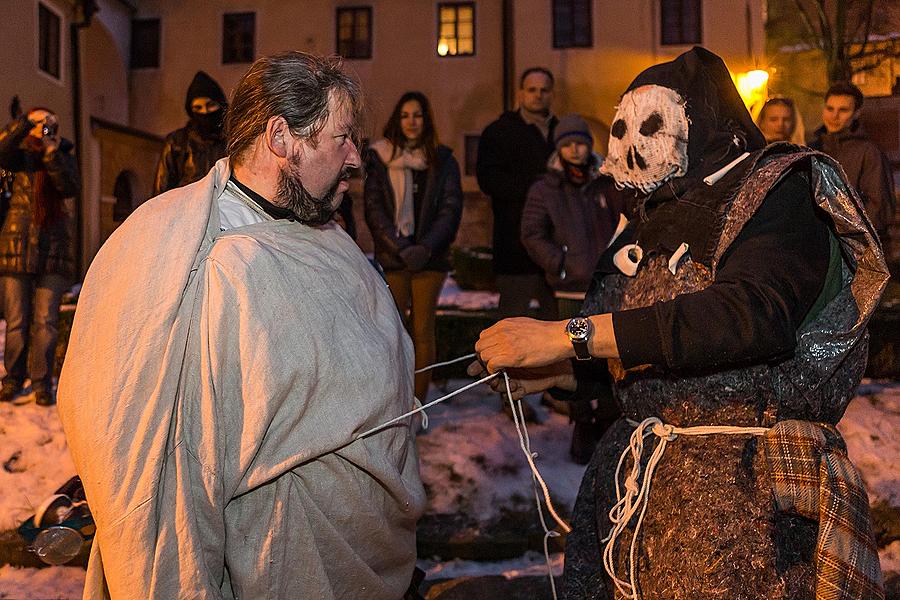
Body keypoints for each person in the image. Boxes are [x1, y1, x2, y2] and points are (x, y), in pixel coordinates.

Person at [471, 47, 886, 599]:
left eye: (651, 125)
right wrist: (564, 375)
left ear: (697, 122)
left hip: (745, 506)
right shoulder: (653, 217)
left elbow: (750, 315)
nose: (633, 143)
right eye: (621, 127)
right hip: (644, 499)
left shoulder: (777, 190)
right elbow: (649, 344)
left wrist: (566, 336)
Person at [58, 52, 426, 599]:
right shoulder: (173, 252)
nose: (356, 159)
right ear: (282, 137)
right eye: (342, 138)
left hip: (359, 560)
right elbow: (163, 468)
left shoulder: (325, 234)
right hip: (266, 566)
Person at [520, 113, 624, 462]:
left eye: (580, 143)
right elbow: (532, 233)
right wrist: (560, 263)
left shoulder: (606, 181)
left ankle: (608, 422)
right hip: (569, 291)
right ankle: (581, 425)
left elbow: (625, 223)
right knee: (577, 358)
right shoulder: (545, 188)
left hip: (609, 285)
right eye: (568, 144)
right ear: (559, 148)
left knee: (611, 355)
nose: (576, 150)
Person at [364, 91, 463, 401]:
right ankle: (394, 397)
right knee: (392, 329)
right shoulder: (380, 157)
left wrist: (424, 249)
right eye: (405, 115)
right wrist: (400, 247)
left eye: (417, 115)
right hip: (394, 258)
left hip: (429, 261)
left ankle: (417, 401)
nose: (411, 121)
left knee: (422, 330)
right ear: (397, 118)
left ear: (426, 119)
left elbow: (450, 208)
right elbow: (374, 207)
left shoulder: (442, 158)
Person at [0, 107, 79, 406]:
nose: (43, 130)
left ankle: (42, 382)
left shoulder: (63, 156)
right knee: (17, 320)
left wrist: (51, 154)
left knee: (45, 321)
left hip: (54, 249)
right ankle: (12, 379)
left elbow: (69, 187)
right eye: (39, 125)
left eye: (49, 124)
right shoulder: (17, 158)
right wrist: (25, 122)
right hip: (16, 246)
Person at [477, 67, 559, 319]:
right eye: (532, 89)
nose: (538, 95)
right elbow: (489, 180)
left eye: (544, 90)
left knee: (558, 328)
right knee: (512, 323)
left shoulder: (563, 132)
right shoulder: (499, 132)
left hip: (556, 249)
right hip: (514, 247)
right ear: (521, 93)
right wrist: (537, 189)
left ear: (551, 94)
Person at [809, 81, 894, 236]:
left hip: (853, 244)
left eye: (843, 110)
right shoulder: (812, 148)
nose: (834, 116)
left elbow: (879, 207)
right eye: (830, 108)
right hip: (818, 242)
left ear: (856, 113)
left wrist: (848, 235)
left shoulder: (868, 152)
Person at [154, 70, 228, 195]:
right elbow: (161, 190)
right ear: (191, 110)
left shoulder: (233, 140)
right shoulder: (177, 142)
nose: (205, 112)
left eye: (210, 105)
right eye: (198, 108)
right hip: (187, 210)